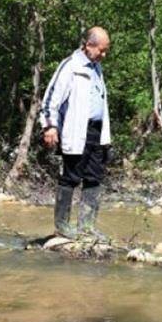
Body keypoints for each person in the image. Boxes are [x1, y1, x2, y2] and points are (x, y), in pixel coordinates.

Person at [40, 27, 112, 241]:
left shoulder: (97, 68)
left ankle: (87, 227)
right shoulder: (70, 66)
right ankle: (62, 227)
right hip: (76, 130)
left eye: (106, 50)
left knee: (94, 178)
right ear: (89, 45)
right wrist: (50, 126)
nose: (104, 55)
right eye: (101, 50)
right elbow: (50, 99)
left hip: (96, 132)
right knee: (70, 177)